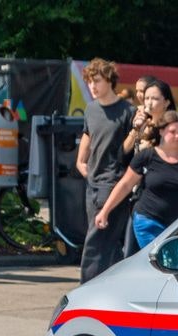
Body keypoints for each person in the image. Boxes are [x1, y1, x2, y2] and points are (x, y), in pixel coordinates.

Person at [95, 111, 178, 250]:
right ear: (161, 131)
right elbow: (125, 185)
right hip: (149, 220)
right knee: (160, 262)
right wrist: (105, 211)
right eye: (172, 132)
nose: (177, 136)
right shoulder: (147, 156)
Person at [75, 57, 136, 283]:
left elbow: (130, 149)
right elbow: (88, 137)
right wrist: (82, 164)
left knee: (97, 241)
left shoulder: (127, 111)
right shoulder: (91, 109)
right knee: (104, 240)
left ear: (110, 80)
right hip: (93, 183)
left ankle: (87, 288)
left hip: (114, 182)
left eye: (97, 81)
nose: (92, 86)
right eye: (90, 81)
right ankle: (107, 286)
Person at [124, 78, 176, 154]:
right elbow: (123, 154)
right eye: (147, 98)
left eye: (155, 99)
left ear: (167, 102)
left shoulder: (172, 127)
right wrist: (136, 129)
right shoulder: (142, 122)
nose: (149, 103)